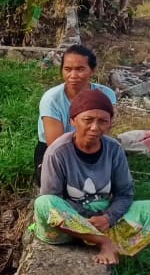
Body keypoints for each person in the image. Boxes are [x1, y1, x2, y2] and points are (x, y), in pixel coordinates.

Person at [35, 88, 150, 265]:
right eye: (88, 120)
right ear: (73, 120)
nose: (95, 127)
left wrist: (108, 218)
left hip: (104, 219)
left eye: (102, 121)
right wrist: (85, 219)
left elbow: (124, 193)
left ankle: (101, 236)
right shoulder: (57, 152)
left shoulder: (114, 149)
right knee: (43, 203)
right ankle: (105, 242)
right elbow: (53, 200)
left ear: (110, 123)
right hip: (67, 228)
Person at [35, 44, 116, 184]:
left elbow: (106, 130)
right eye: (67, 69)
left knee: (108, 185)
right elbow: (55, 145)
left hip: (93, 145)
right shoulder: (52, 99)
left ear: (92, 70)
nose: (73, 75)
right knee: (61, 189)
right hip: (56, 152)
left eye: (80, 69)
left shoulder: (106, 94)